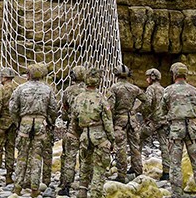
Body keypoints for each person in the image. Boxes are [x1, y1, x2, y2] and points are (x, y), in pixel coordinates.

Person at [161, 63, 196, 198]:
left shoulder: (168, 90)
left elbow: (162, 109)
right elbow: (195, 103)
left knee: (175, 165)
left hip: (176, 129)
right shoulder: (193, 90)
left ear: (174, 74)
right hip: (191, 129)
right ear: (185, 74)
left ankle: (177, 194)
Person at [10, 64, 59, 198]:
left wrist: (18, 122)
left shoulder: (21, 88)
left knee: (22, 156)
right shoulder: (47, 89)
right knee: (37, 156)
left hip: (24, 123)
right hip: (40, 123)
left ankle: (17, 188)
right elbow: (53, 109)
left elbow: (13, 108)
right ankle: (34, 188)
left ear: (29, 74)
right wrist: (50, 122)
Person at [71, 70, 113, 198]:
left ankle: (82, 191)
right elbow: (107, 121)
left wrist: (78, 133)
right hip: (99, 135)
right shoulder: (101, 99)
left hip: (84, 134)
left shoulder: (78, 98)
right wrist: (112, 139)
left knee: (85, 163)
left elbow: (74, 118)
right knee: (99, 166)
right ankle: (95, 193)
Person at [109, 66, 142, 180]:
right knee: (135, 147)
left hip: (119, 121)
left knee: (121, 147)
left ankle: (121, 175)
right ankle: (138, 172)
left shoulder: (114, 88)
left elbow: (111, 107)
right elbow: (146, 100)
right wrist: (134, 110)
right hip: (132, 121)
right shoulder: (134, 88)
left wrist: (110, 121)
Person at [58, 66, 86, 196]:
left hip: (73, 127)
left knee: (70, 156)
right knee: (87, 157)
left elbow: (64, 111)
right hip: (88, 128)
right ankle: (85, 185)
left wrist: (68, 117)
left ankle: (66, 185)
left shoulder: (68, 91)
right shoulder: (90, 91)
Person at [138, 68, 167, 179]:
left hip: (153, 121)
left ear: (152, 77)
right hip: (163, 121)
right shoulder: (164, 89)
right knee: (164, 146)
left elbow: (147, 104)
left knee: (138, 139)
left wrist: (145, 117)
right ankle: (166, 173)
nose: (146, 79)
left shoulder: (151, 88)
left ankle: (136, 167)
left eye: (148, 77)